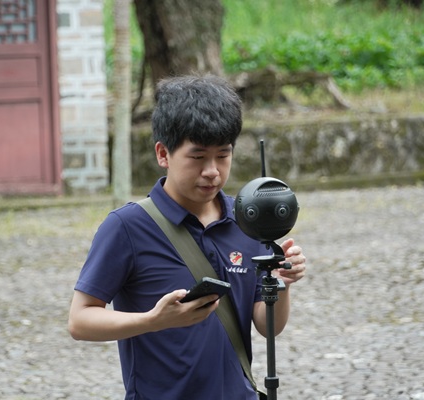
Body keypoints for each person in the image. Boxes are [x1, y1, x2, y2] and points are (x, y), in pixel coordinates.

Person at [68, 75, 307, 399]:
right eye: (197, 157)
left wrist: (281, 284)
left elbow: (268, 327)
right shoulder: (127, 227)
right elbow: (80, 320)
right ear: (163, 154)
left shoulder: (246, 222)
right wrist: (153, 320)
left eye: (223, 155)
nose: (212, 171)